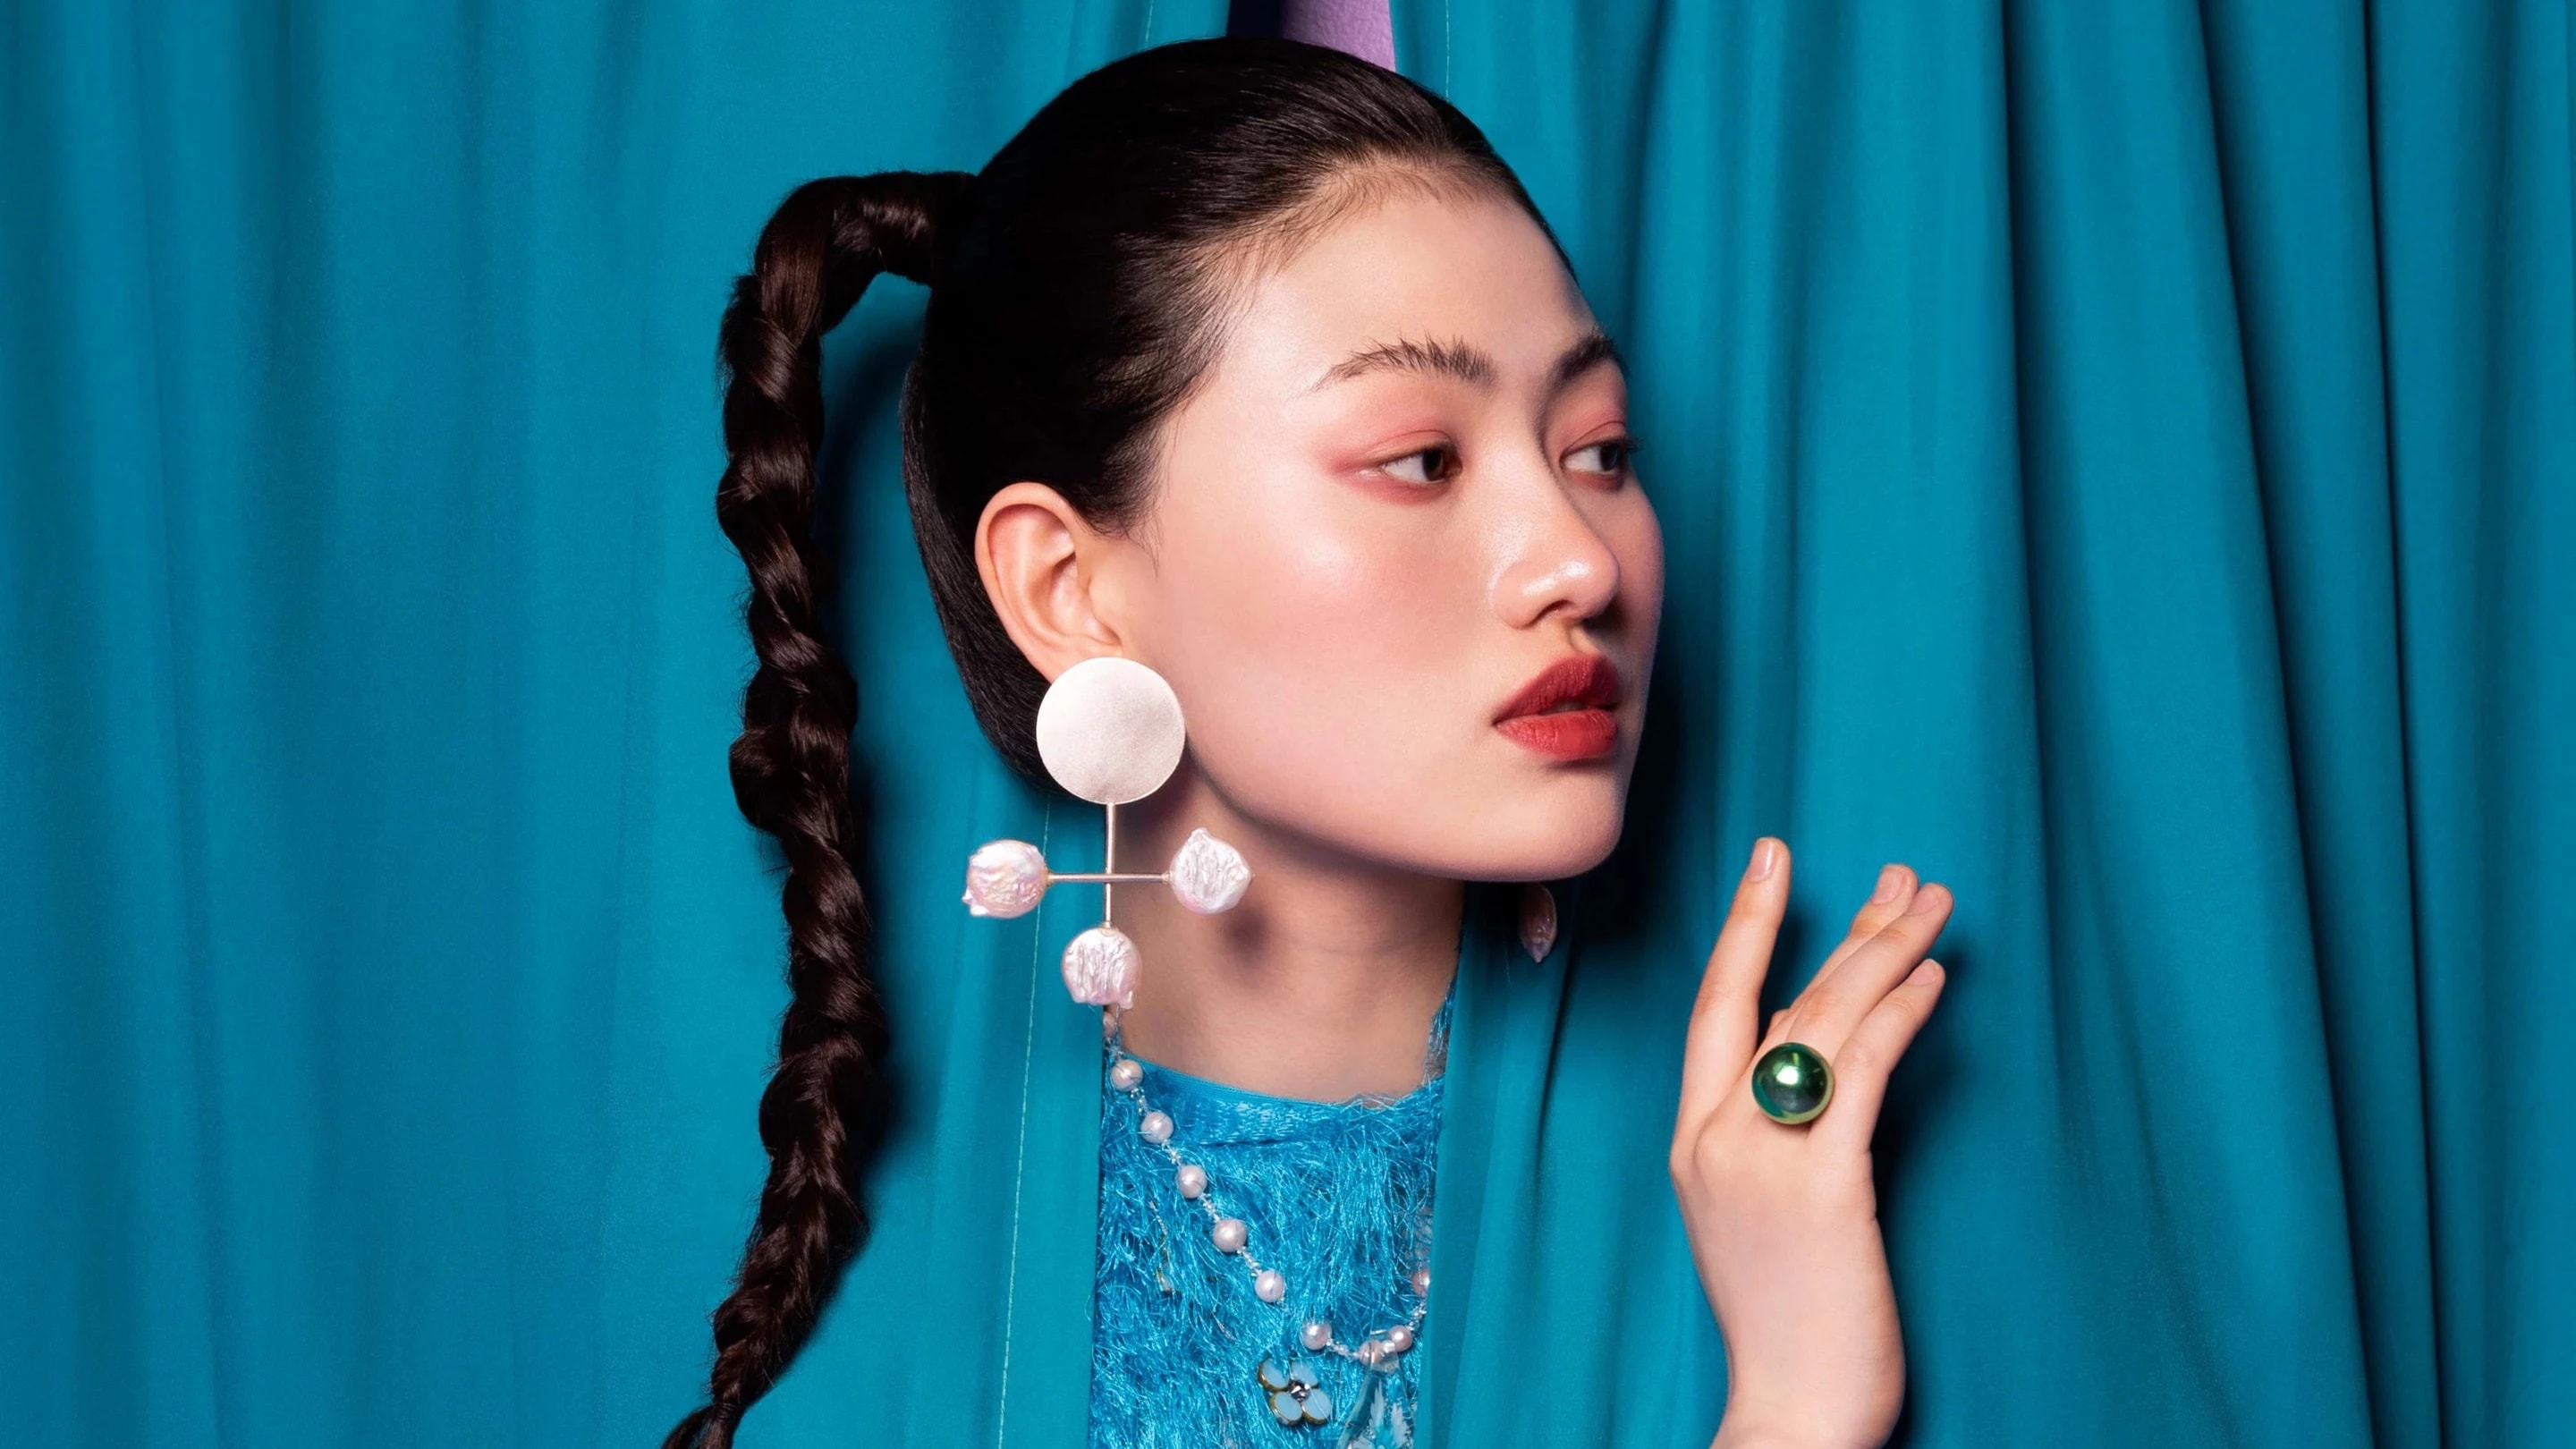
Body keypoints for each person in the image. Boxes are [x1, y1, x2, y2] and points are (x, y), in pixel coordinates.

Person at [664, 35, 1953, 1449]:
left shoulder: (1752, 1175)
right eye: (1422, 460)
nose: (1578, 561)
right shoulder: (907, 1316)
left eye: (1598, 449)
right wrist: (1799, 1413)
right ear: (1067, 588)